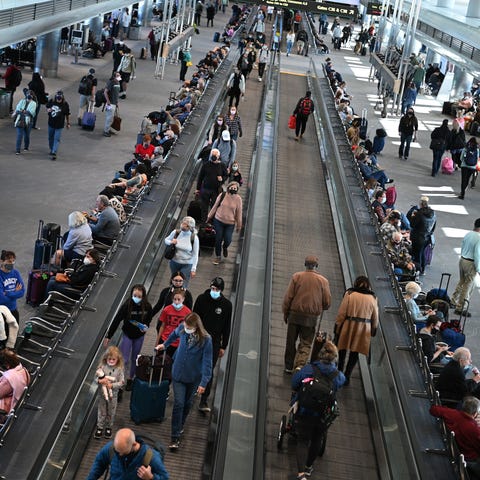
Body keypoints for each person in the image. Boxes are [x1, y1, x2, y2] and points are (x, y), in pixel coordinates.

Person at [156, 312, 212, 450]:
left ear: (196, 327)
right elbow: (174, 334)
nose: (185, 328)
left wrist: (204, 383)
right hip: (178, 375)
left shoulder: (206, 340)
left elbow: (207, 362)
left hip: (193, 377)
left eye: (188, 326)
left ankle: (180, 425)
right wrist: (165, 345)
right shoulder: (182, 328)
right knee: (179, 403)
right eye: (185, 325)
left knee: (188, 403)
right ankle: (175, 437)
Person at [291, 340, 345, 479]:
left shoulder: (310, 369)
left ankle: (301, 473)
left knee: (302, 440)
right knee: (317, 439)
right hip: (323, 414)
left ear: (320, 355)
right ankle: (309, 467)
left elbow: (295, 383)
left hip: (304, 410)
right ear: (334, 358)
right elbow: (340, 383)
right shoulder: (338, 376)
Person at [283, 255, 331, 373]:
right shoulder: (323, 281)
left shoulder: (297, 277)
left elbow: (288, 297)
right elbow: (327, 302)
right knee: (306, 343)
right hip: (311, 318)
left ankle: (288, 366)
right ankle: (299, 365)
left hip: (294, 315)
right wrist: (321, 306)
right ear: (316, 266)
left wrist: (285, 313)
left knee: (291, 341)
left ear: (305, 265)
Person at [104, 284, 153, 391]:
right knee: (123, 359)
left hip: (139, 336)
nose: (137, 298)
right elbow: (117, 319)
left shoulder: (147, 307)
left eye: (139, 296)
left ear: (143, 297)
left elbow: (149, 319)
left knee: (135, 358)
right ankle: (120, 383)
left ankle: (131, 379)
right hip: (128, 335)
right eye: (135, 295)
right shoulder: (127, 306)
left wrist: (146, 327)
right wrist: (109, 335)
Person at [193, 277, 232, 412]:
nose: (214, 291)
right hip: (198, 338)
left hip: (214, 342)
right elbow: (194, 319)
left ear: (221, 291)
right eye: (212, 289)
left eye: (217, 290)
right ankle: (192, 390)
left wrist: (223, 345)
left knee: (208, 370)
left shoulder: (226, 305)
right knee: (195, 365)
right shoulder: (201, 299)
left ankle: (204, 400)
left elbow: (227, 326)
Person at [334, 276, 378, 385]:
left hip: (349, 324)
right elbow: (375, 317)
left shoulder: (350, 294)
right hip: (364, 328)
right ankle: (347, 376)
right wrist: (373, 329)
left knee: (342, 349)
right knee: (355, 353)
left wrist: (337, 326)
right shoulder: (373, 298)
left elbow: (342, 313)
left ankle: (339, 372)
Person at [86, 428, 169, 479]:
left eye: (123, 452)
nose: (119, 455)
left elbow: (165, 477)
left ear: (134, 444)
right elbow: (99, 463)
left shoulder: (151, 457)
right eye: (117, 451)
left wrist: (151, 477)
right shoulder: (112, 449)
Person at [430, 397, 480, 474]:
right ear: (476, 413)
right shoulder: (475, 430)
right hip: (468, 460)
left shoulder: (452, 414)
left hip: (452, 449)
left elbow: (433, 409)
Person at [207, 181, 242, 265]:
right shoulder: (222, 195)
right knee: (218, 239)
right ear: (228, 187)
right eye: (231, 187)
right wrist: (209, 216)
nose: (233, 189)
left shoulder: (238, 199)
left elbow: (239, 212)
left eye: (235, 188)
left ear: (237, 189)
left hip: (230, 223)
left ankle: (225, 247)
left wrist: (239, 225)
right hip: (218, 220)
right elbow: (215, 206)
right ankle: (218, 256)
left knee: (228, 239)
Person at [93, 346, 125, 440]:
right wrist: (99, 381)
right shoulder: (102, 367)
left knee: (111, 411)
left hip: (113, 396)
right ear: (106, 358)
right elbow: (95, 378)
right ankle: (100, 426)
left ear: (117, 359)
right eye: (109, 359)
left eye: (113, 359)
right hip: (102, 395)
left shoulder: (119, 369)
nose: (111, 361)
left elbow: (122, 382)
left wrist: (113, 386)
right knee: (102, 410)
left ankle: (109, 426)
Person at [451, 218, 480, 316]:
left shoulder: (468, 234)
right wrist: (479, 268)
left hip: (462, 259)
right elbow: (477, 255)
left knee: (462, 281)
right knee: (468, 285)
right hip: (471, 263)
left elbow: (463, 246)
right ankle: (460, 308)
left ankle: (453, 300)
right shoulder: (479, 238)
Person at [164, 216, 199, 287]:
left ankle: (181, 296)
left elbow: (195, 254)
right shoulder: (176, 232)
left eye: (186, 225)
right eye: (183, 223)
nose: (183, 225)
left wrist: (193, 269)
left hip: (187, 264)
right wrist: (171, 242)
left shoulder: (194, 238)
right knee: (174, 281)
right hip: (174, 262)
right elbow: (166, 240)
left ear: (190, 227)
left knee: (182, 283)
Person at [155, 289, 191, 358]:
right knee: (160, 361)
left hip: (178, 342)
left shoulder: (187, 312)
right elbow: (162, 326)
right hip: (165, 339)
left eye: (179, 299)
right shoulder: (167, 309)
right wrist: (157, 341)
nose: (176, 302)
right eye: (175, 299)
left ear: (183, 299)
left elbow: (188, 329)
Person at [196, 148, 227, 221]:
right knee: (204, 206)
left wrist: (222, 179)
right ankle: (203, 221)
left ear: (218, 156)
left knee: (214, 206)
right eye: (212, 155)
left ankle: (211, 221)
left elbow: (226, 175)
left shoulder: (222, 165)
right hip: (206, 188)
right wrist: (198, 188)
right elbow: (200, 177)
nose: (213, 156)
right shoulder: (206, 165)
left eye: (215, 155)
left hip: (216, 190)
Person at [409, 196, 436, 275]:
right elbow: (434, 227)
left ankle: (418, 270)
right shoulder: (433, 214)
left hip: (418, 237)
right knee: (422, 253)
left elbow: (412, 224)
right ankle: (423, 269)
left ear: (421, 204)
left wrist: (413, 216)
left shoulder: (419, 214)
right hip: (427, 237)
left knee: (417, 254)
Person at [0, 350, 30, 414]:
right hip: (17, 406)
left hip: (4, 411)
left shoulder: (8, 379)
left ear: (6, 365)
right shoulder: (23, 370)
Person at [0, 251, 25, 322]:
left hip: (13, 308)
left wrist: (8, 293)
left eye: (13, 261)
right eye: (9, 261)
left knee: (15, 330)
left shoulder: (16, 273)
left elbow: (22, 292)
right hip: (2, 311)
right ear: (1, 261)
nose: (11, 263)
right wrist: (15, 293)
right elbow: (1, 299)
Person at [46, 90, 71, 160]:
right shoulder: (52, 101)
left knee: (56, 139)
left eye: (60, 96)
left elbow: (67, 114)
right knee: (50, 138)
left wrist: (68, 123)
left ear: (62, 97)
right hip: (51, 123)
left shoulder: (65, 104)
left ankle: (54, 152)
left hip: (59, 125)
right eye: (57, 96)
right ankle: (51, 149)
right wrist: (48, 109)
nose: (58, 97)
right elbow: (47, 107)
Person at [12, 89, 37, 155]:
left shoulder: (34, 103)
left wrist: (23, 111)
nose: (29, 95)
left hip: (29, 122)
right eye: (28, 94)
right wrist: (22, 111)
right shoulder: (22, 101)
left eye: (30, 94)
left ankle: (26, 146)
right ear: (26, 95)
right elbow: (17, 108)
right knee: (19, 135)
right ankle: (18, 150)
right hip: (20, 120)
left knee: (27, 135)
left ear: (32, 96)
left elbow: (31, 112)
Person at [103, 72, 121, 137]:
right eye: (117, 75)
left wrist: (116, 102)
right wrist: (108, 102)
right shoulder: (111, 82)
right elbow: (105, 92)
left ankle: (108, 129)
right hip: (110, 104)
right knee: (109, 118)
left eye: (119, 75)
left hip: (114, 103)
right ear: (114, 76)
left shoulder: (118, 83)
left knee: (111, 118)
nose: (119, 76)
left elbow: (116, 94)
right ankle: (106, 131)